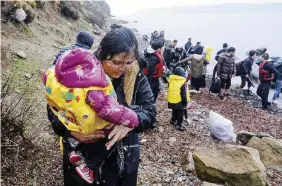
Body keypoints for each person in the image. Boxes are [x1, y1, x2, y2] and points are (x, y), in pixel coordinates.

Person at [47, 27, 156, 186]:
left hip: (122, 150)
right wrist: (71, 131)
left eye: (128, 62)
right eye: (116, 62)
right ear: (101, 53)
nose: (121, 68)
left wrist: (130, 124)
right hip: (81, 147)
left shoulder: (135, 73)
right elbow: (53, 108)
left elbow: (150, 111)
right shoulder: (80, 70)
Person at [168, 67, 187, 131]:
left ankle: (172, 120)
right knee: (180, 113)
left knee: (174, 110)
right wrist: (185, 101)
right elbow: (183, 93)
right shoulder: (182, 82)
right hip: (179, 100)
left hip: (171, 100)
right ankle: (179, 125)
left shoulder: (171, 80)